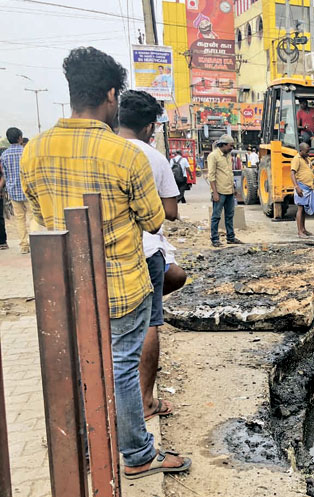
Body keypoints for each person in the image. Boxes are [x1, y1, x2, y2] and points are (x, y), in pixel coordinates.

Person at [20, 46, 191, 479]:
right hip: (121, 284)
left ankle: (87, 448)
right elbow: (154, 220)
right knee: (121, 364)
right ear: (111, 95)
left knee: (80, 361)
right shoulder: (126, 155)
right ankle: (136, 455)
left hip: (68, 285)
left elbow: (41, 215)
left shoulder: (33, 152)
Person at [118, 89, 188, 424]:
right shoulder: (153, 157)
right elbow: (170, 213)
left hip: (103, 249)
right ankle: (146, 400)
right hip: (144, 250)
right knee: (148, 322)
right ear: (149, 126)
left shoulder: (105, 150)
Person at [208, 134, 242, 247]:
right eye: (230, 145)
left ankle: (231, 237)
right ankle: (214, 239)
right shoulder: (213, 156)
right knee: (216, 216)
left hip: (229, 191)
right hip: (220, 192)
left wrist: (234, 189)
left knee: (229, 216)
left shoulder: (228, 155)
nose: (232, 148)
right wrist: (215, 193)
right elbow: (211, 176)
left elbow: (228, 173)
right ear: (223, 144)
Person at [0, 127, 29, 253]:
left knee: (19, 218)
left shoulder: (4, 155)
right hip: (28, 190)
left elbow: (4, 174)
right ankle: (35, 242)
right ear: (20, 138)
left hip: (13, 191)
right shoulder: (26, 151)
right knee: (33, 217)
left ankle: (24, 245)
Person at [290, 142, 314, 239]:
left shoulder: (307, 159)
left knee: (304, 209)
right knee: (300, 208)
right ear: (301, 151)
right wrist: (297, 187)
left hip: (308, 187)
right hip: (301, 187)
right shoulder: (296, 159)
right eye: (306, 151)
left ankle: (303, 229)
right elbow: (292, 173)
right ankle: (299, 232)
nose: (308, 153)